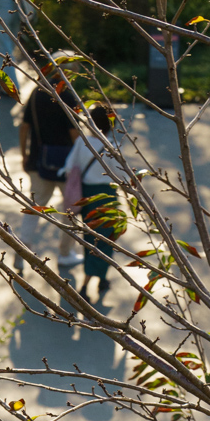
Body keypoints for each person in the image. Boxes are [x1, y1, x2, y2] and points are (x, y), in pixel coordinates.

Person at [18, 62, 83, 276]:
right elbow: (74, 133)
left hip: (38, 161)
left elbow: (24, 126)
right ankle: (65, 254)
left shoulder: (37, 93)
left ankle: (21, 250)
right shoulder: (68, 96)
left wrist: (24, 154)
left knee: (35, 207)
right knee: (70, 210)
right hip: (67, 165)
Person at [61, 104, 126, 303]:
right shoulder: (112, 148)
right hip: (107, 197)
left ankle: (100, 280)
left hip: (87, 197)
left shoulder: (83, 142)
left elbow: (68, 167)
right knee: (106, 241)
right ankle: (86, 285)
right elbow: (123, 177)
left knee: (91, 239)